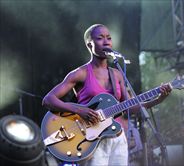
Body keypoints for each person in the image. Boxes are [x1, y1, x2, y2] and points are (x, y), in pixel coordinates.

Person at [42, 24, 172, 166]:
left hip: (117, 137)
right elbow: (48, 100)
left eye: (109, 38)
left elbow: (130, 107)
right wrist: (80, 110)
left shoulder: (117, 74)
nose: (106, 42)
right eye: (100, 38)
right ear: (89, 45)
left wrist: (158, 99)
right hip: (90, 139)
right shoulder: (81, 73)